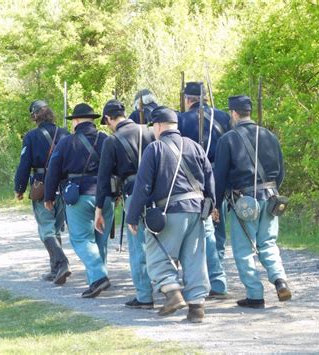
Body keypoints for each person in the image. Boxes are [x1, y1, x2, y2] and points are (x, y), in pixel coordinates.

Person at [126, 106, 213, 323]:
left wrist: (132, 216)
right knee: (194, 259)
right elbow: (210, 177)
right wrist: (212, 207)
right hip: (196, 210)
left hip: (169, 211)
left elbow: (143, 186)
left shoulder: (154, 149)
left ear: (158, 126)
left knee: (157, 256)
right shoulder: (195, 146)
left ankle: (172, 294)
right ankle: (196, 308)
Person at [213, 95, 292, 309]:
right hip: (271, 197)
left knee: (244, 249)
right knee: (268, 243)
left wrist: (214, 204)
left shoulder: (228, 139)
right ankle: (280, 280)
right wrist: (272, 192)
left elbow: (218, 177)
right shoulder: (270, 136)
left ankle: (255, 295)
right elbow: (281, 173)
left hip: (244, 201)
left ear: (234, 113)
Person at [44, 103, 114, 298]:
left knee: (81, 239)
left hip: (79, 196)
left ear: (75, 121)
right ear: (92, 119)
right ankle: (96, 281)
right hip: (105, 195)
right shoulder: (106, 140)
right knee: (100, 240)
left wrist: (49, 197)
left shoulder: (67, 142)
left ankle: (99, 277)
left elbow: (53, 171)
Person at [95, 99, 154, 309]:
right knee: (159, 243)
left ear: (109, 119)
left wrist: (99, 209)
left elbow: (103, 180)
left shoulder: (111, 141)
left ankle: (145, 295)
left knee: (138, 247)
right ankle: (167, 286)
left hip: (133, 194)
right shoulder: (149, 131)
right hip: (157, 194)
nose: (108, 126)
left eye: (107, 122)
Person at [178, 82, 230, 298]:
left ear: (188, 99)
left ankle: (211, 279)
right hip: (222, 178)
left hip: (196, 181)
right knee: (217, 230)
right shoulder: (225, 117)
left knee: (204, 233)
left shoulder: (182, 119)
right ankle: (217, 276)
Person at [14, 100, 71, 284]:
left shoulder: (31, 137)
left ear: (34, 116)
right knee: (55, 228)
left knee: (47, 228)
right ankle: (55, 269)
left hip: (42, 184)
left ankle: (61, 263)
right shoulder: (64, 133)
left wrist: (19, 188)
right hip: (63, 186)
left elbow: (24, 165)